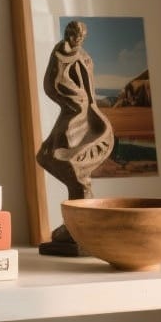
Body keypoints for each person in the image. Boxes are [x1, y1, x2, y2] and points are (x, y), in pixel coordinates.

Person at [36, 20, 113, 253]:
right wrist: (76, 97)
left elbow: (88, 86)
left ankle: (81, 226)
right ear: (67, 34)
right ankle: (79, 225)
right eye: (74, 34)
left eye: (81, 36)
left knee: (76, 170)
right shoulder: (60, 54)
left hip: (85, 113)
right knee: (54, 157)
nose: (77, 39)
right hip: (75, 112)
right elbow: (53, 84)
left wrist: (86, 102)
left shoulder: (84, 56)